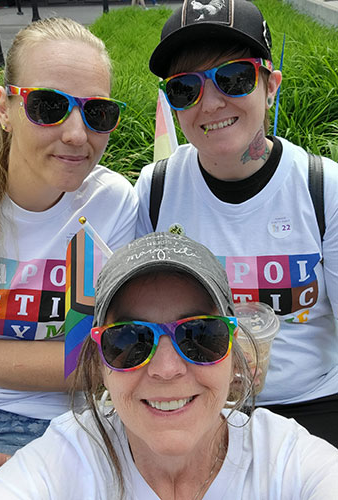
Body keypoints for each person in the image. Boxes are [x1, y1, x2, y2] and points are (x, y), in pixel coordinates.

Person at [0, 232, 338, 499]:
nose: (167, 369)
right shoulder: (65, 460)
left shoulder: (288, 461)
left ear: (233, 351)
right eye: (128, 340)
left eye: (199, 335)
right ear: (100, 365)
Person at [135, 0, 338, 446]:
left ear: (270, 86)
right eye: (185, 88)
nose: (210, 103)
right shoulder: (157, 189)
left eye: (234, 78)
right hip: (199, 405)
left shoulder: (323, 188)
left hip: (313, 403)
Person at [0, 16, 138, 498]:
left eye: (97, 112)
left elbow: (85, 358)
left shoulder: (110, 205)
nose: (78, 134)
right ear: (5, 107)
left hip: (50, 428)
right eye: (48, 106)